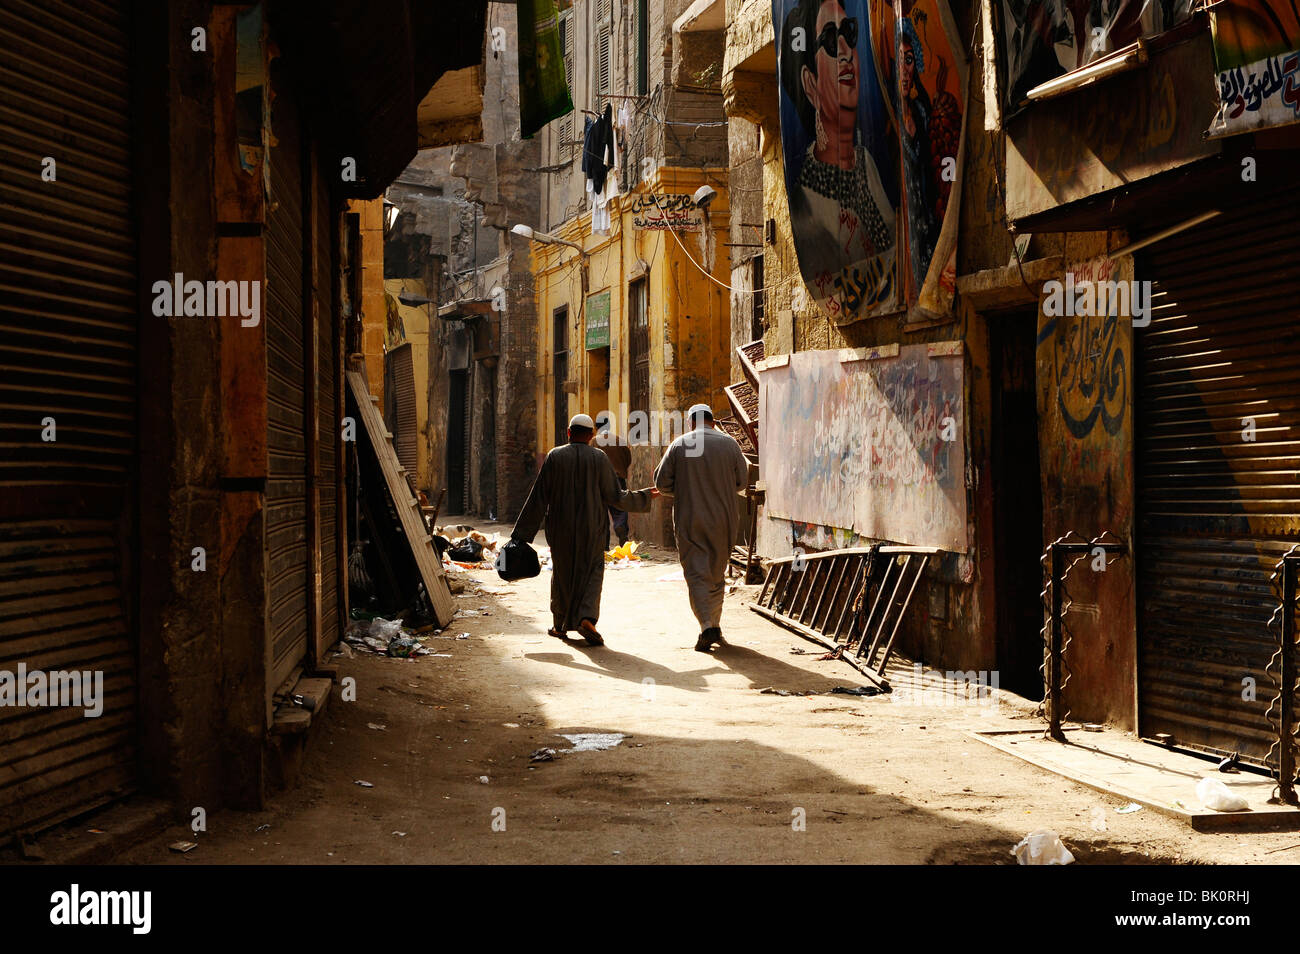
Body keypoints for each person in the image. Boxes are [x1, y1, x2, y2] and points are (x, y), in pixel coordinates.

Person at [512, 413, 658, 646]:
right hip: (593, 528)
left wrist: (521, 536)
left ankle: (559, 625)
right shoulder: (599, 458)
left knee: (562, 574)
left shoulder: (554, 457)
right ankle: (586, 618)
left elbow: (538, 497)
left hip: (560, 529)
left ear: (568, 433)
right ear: (591, 435)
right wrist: (644, 495)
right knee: (592, 573)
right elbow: (614, 496)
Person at [653, 404, 750, 652]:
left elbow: (662, 482)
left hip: (690, 517)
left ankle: (707, 626)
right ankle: (714, 623)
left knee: (696, 572)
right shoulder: (729, 444)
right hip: (724, 518)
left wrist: (684, 488)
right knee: (718, 571)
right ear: (713, 421)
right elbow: (742, 481)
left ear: (691, 423)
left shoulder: (679, 444)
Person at [594, 411, 633, 546]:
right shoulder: (619, 440)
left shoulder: (594, 441)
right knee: (620, 507)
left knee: (601, 512)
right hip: (618, 478)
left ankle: (603, 543)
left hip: (599, 482)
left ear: (596, 427)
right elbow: (628, 458)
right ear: (609, 426)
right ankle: (620, 528)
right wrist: (621, 470)